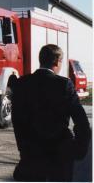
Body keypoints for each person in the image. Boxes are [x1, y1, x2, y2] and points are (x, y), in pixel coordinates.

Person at [11, 44, 91, 182]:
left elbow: (16, 120)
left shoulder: (21, 84)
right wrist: (78, 150)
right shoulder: (64, 84)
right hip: (59, 158)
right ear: (57, 61)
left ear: (40, 59)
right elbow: (82, 122)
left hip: (30, 158)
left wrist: (23, 148)